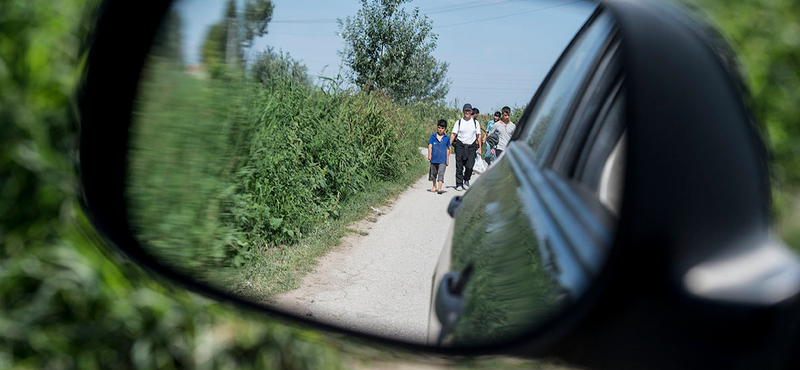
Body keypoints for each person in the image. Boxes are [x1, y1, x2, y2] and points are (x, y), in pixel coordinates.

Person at [451, 103, 481, 191]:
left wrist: (479, 147)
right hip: (460, 145)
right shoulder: (459, 122)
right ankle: (459, 184)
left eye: (469, 110)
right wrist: (449, 144)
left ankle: (466, 179)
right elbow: (453, 134)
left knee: (470, 165)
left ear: (471, 111)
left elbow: (478, 135)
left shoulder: (475, 123)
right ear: (463, 111)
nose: (467, 112)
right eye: (466, 110)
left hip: (471, 146)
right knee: (459, 165)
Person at [427, 119, 451, 194]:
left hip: (442, 160)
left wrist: (447, 159)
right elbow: (430, 145)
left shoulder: (447, 138)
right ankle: (434, 186)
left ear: (445, 129)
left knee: (441, 172)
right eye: (439, 127)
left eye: (442, 128)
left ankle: (440, 188)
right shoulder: (433, 136)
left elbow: (448, 149)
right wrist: (429, 154)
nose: (440, 130)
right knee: (433, 173)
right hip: (434, 159)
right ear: (437, 127)